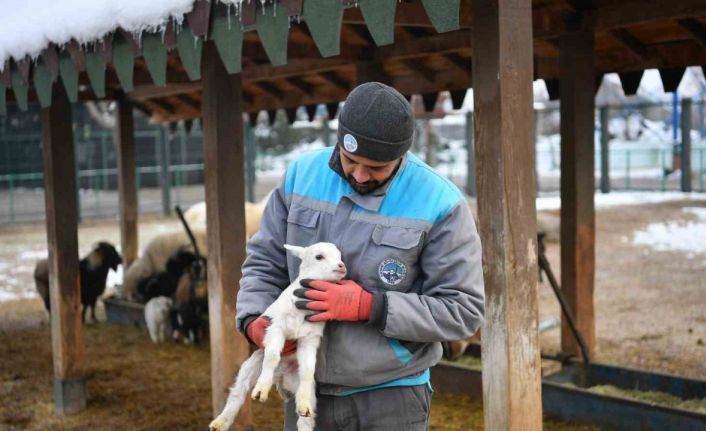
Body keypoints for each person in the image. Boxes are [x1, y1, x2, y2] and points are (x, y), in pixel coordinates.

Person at [236, 82, 485, 430]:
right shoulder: (300, 176)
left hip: (391, 396)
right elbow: (264, 261)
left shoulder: (440, 203)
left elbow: (463, 310)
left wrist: (371, 307)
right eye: (350, 160)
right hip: (305, 390)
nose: (359, 174)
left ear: (402, 155)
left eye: (376, 168)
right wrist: (253, 320)